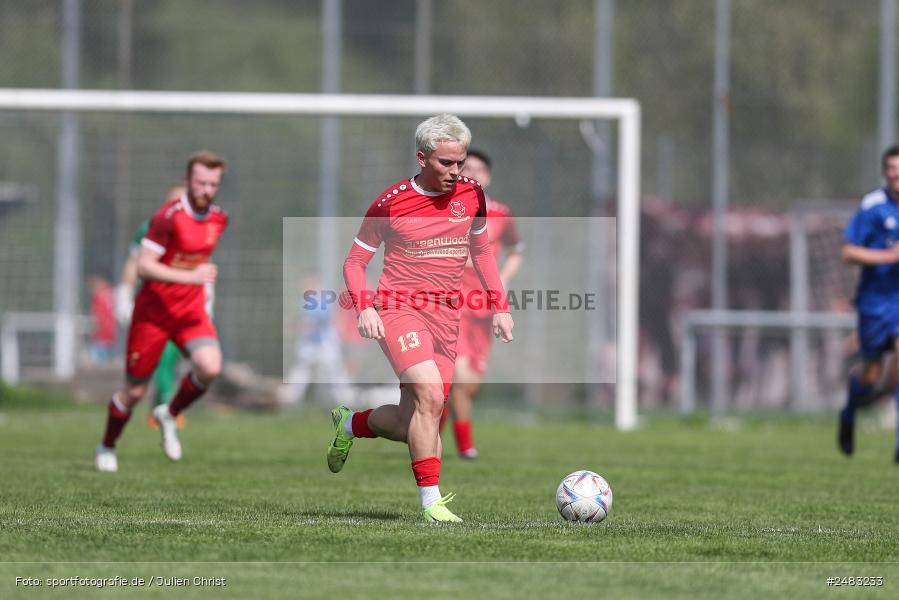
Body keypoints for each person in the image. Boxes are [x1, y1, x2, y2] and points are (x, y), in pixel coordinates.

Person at [328, 114, 514, 522]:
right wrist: (365, 308)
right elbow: (355, 263)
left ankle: (352, 424)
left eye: (460, 162)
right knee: (431, 396)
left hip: (447, 318)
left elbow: (482, 252)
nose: (455, 172)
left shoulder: (472, 195)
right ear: (422, 157)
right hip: (398, 309)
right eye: (446, 163)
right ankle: (432, 504)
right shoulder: (390, 202)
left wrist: (500, 305)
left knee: (415, 418)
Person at [94, 151, 229, 472]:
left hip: (190, 312)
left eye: (213, 183)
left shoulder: (219, 218)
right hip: (153, 315)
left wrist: (203, 288)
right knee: (135, 391)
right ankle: (107, 445)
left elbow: (199, 259)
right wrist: (191, 277)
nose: (207, 189)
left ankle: (168, 413)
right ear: (188, 181)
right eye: (200, 182)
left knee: (210, 366)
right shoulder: (166, 217)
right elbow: (144, 266)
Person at [445, 149, 523, 459]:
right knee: (458, 374)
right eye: (467, 168)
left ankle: (431, 428)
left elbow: (517, 250)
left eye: (479, 169)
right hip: (452, 300)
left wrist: (501, 280)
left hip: (485, 303)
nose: (473, 174)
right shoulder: (447, 208)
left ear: (487, 177)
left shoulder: (501, 213)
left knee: (470, 386)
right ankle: (464, 446)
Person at [838, 144, 899, 463]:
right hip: (875, 303)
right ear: (885, 172)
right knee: (871, 377)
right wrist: (889, 256)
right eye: (891, 169)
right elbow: (848, 253)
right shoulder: (873, 206)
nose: (896, 175)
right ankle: (849, 410)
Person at [115, 184, 190, 430]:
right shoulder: (149, 229)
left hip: (184, 306)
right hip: (154, 307)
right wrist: (124, 294)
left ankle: (162, 407)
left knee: (173, 360)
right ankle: (164, 409)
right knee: (159, 360)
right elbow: (134, 263)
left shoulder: (197, 231)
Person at [277, 274, 354, 406]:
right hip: (309, 342)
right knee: (301, 369)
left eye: (308, 282)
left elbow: (317, 321)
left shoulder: (324, 298)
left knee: (334, 371)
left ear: (315, 282)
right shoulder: (306, 299)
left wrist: (297, 325)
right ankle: (290, 399)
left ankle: (347, 400)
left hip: (325, 342)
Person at [87, 274, 117, 363]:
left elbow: (97, 318)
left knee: (97, 363)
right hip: (109, 337)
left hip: (100, 338)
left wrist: (94, 331)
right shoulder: (111, 294)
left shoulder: (99, 297)